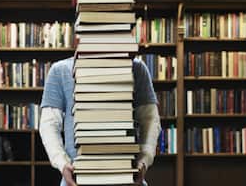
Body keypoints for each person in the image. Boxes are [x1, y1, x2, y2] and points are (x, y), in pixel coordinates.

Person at [39, 56, 161, 186]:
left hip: (127, 177)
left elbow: (150, 120)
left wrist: (144, 161)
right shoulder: (60, 70)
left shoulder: (137, 68)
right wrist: (62, 163)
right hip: (77, 178)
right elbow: (48, 125)